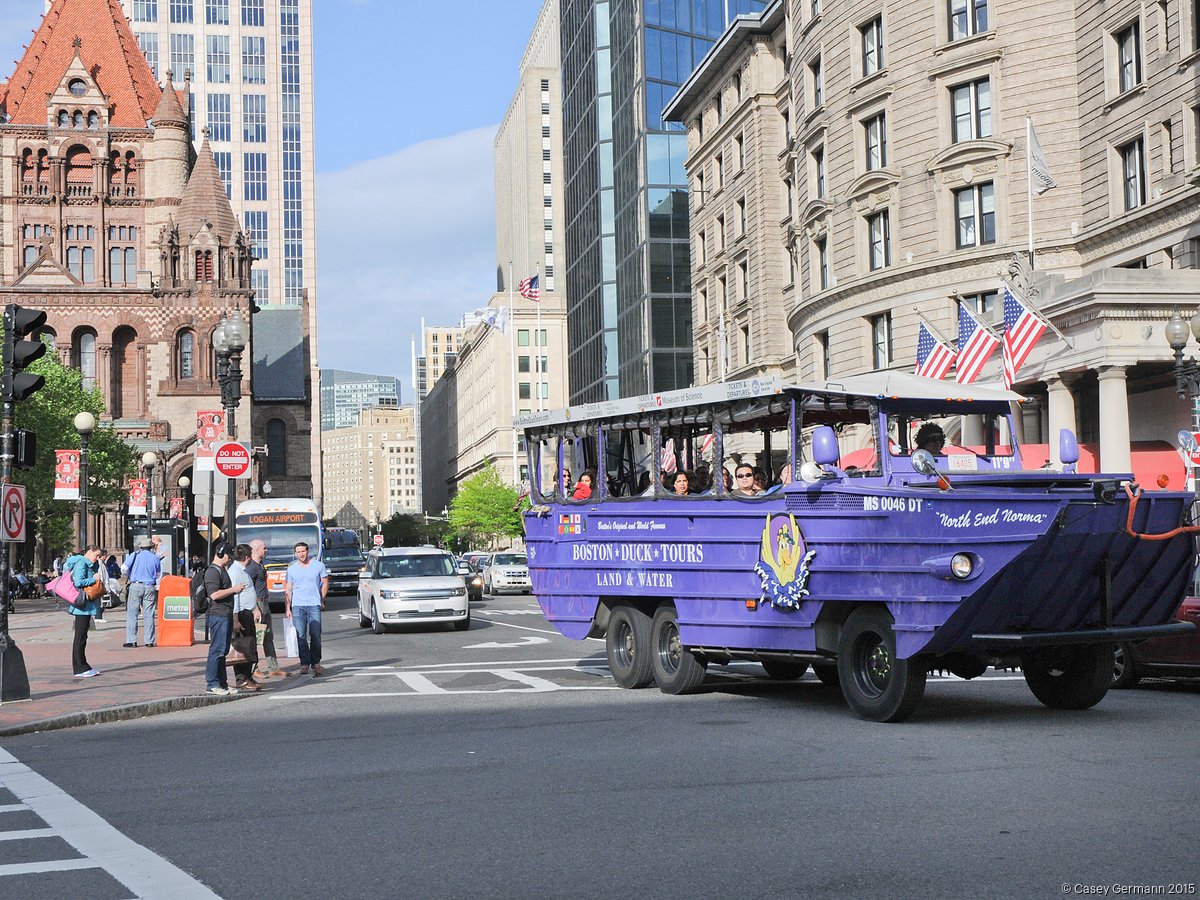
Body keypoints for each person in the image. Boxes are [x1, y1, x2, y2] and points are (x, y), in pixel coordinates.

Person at [203, 543, 250, 696]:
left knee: (222, 650)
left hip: (225, 614)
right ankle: (212, 683)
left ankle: (222, 683)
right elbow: (214, 594)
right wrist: (233, 590)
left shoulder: (221, 570)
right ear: (221, 554)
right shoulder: (212, 571)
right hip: (218, 615)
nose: (229, 560)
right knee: (217, 650)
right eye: (229, 557)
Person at [285, 541, 329, 676]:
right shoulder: (291, 569)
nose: (301, 554)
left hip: (313, 604)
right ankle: (304, 663)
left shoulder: (319, 566)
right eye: (298, 552)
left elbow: (325, 582)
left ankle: (316, 662)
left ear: (308, 551)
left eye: (303, 551)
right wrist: (288, 607)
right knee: (301, 635)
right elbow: (288, 589)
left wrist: (321, 599)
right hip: (297, 605)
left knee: (315, 634)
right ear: (295, 553)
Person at [246, 539, 287, 679]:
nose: (267, 550)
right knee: (257, 635)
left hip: (264, 602)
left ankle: (273, 667)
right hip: (257, 604)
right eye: (264, 548)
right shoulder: (251, 567)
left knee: (268, 635)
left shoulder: (260, 565)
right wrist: (254, 607)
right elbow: (248, 587)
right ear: (256, 550)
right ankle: (254, 668)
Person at [65, 546, 104, 678]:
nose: (97, 559)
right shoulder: (82, 562)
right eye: (96, 555)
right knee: (80, 638)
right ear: (89, 552)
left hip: (84, 607)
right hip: (82, 607)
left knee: (82, 637)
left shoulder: (85, 563)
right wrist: (95, 579)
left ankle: (83, 665)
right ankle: (79, 668)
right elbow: (78, 581)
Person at [228, 545, 262, 692]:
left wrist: (255, 608)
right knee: (243, 646)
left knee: (249, 646)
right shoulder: (235, 572)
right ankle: (242, 678)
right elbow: (234, 597)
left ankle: (248, 676)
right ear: (248, 557)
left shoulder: (241, 571)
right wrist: (236, 619)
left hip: (247, 612)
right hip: (241, 614)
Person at [121, 535, 161, 648]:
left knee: (132, 613)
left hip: (136, 585)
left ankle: (131, 640)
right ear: (151, 547)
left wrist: (129, 576)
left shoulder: (134, 555)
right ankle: (149, 641)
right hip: (150, 586)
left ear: (141, 547)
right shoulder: (155, 558)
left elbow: (123, 568)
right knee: (149, 614)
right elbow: (158, 574)